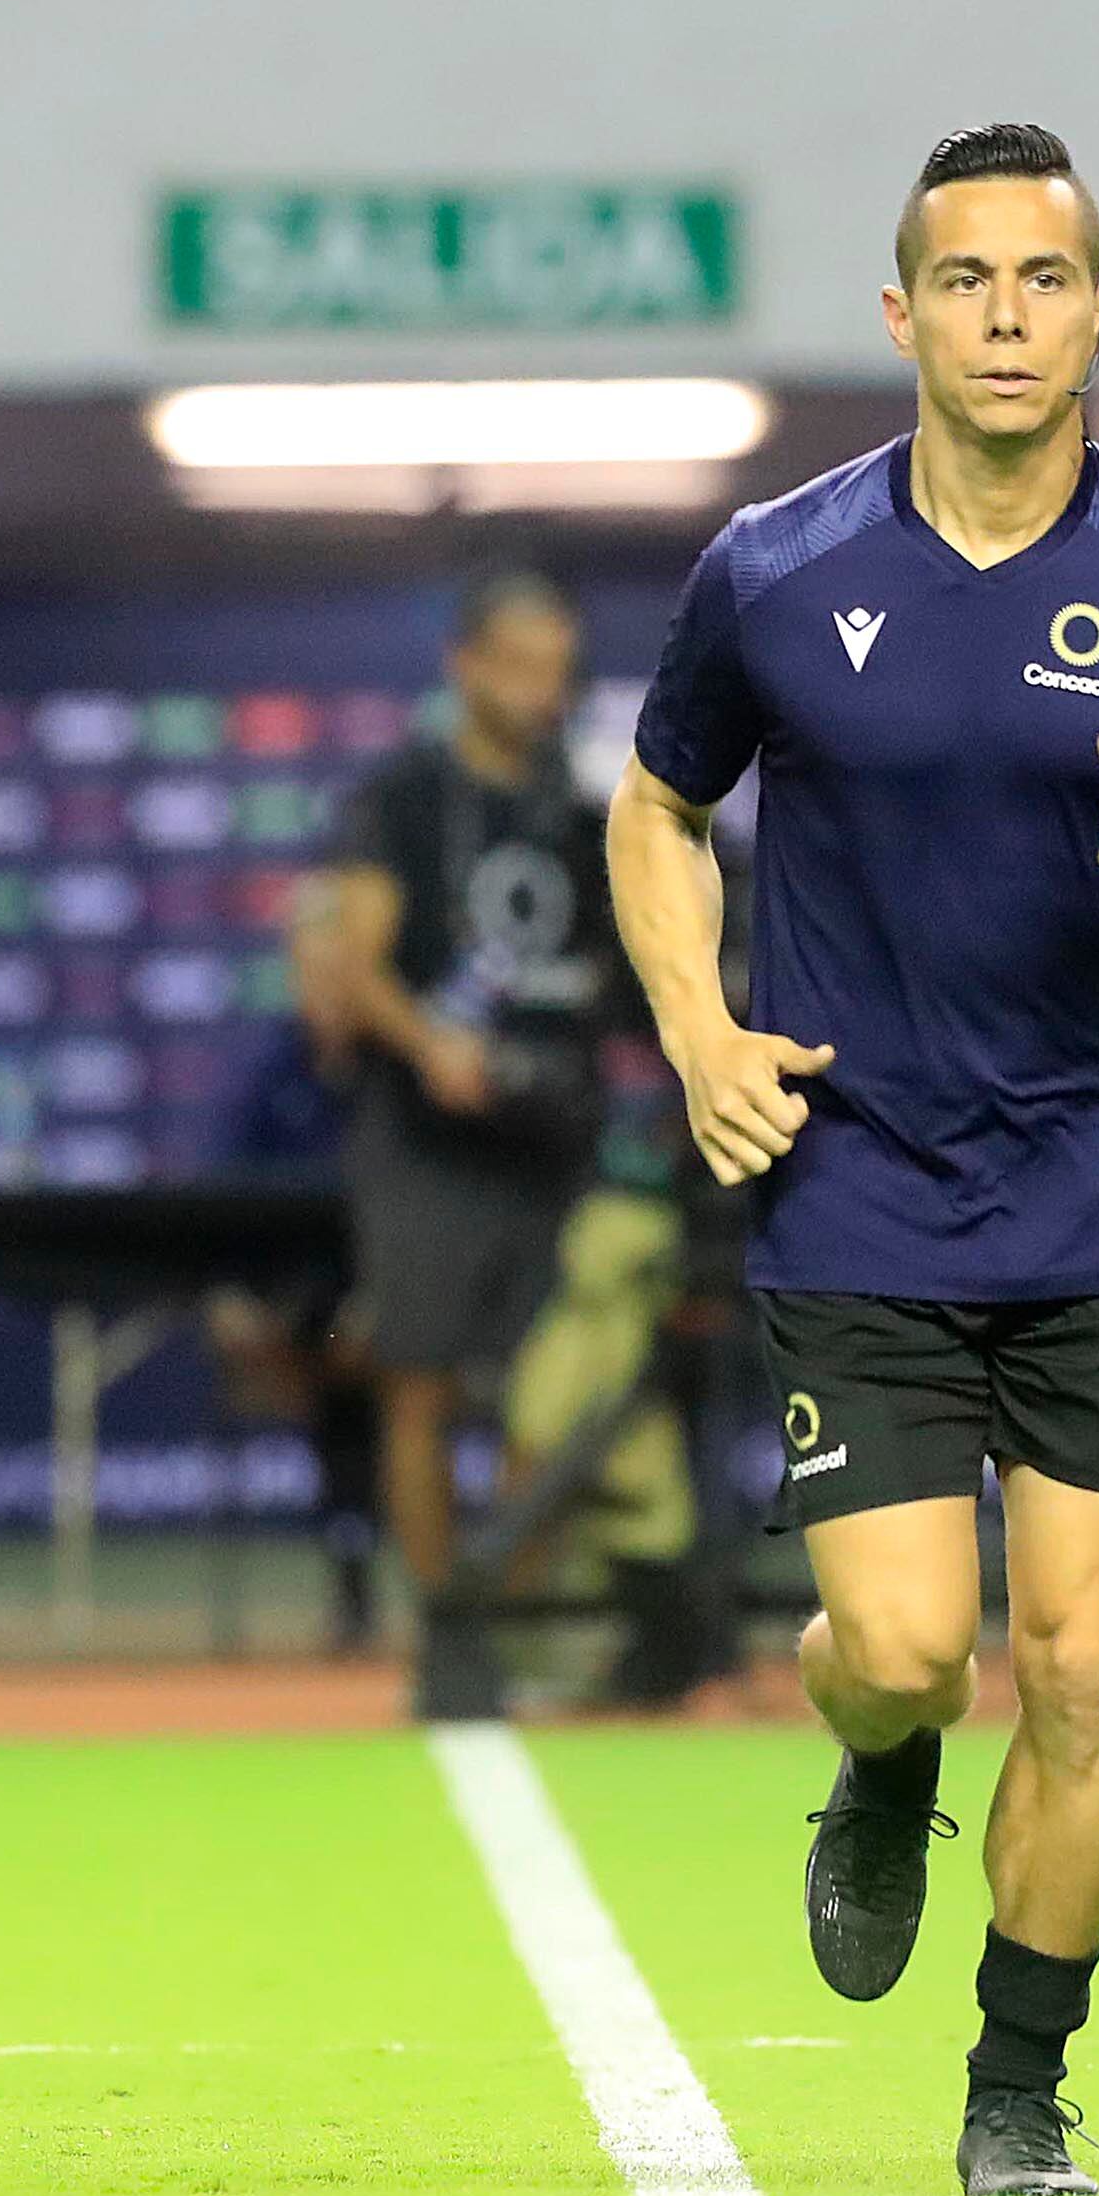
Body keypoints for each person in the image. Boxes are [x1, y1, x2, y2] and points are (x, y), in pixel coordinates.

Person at [606, 123, 1099, 2196]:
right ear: (901, 315)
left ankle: (1016, 2080)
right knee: (901, 1649)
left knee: (1088, 1652)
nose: (1005, 316)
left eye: (1044, 282)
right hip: (853, 1178)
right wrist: (695, 1030)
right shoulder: (772, 566)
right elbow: (656, 809)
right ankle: (872, 1767)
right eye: (965, 281)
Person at [294, 574, 611, 1598]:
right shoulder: (405, 795)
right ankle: (442, 1626)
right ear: (465, 666)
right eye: (518, 668)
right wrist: (431, 1044)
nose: (538, 693)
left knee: (555, 1391)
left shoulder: (582, 801)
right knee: (419, 1382)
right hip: (424, 1137)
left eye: (555, 672)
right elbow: (352, 960)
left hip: (557, 1132)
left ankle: (516, 1611)